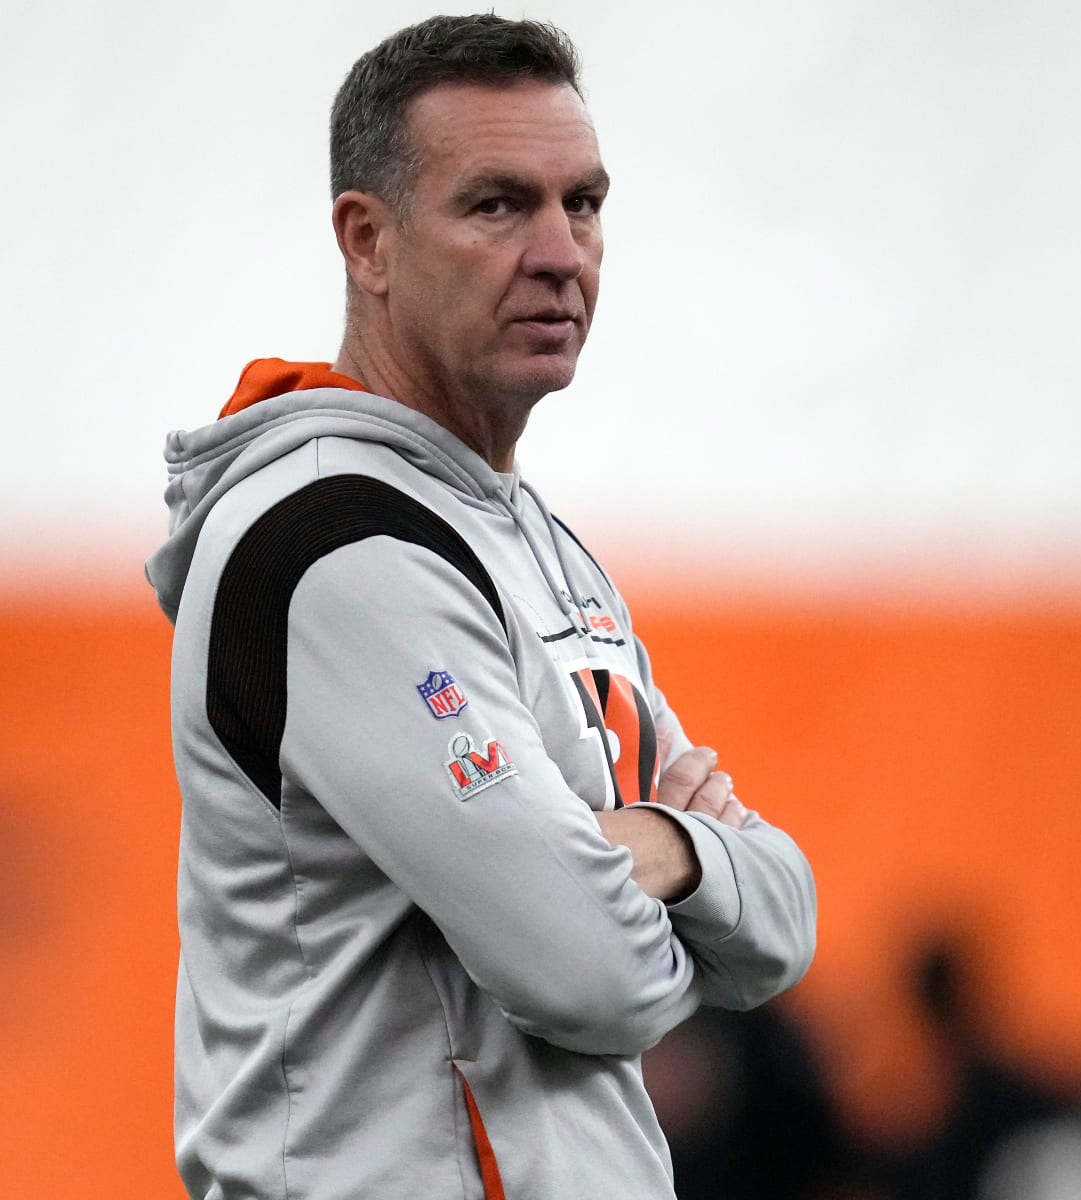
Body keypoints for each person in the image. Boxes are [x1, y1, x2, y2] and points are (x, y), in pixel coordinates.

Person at [146, 15, 816, 1200]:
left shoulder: (531, 540)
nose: (562, 251)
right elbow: (592, 978)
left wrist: (653, 849)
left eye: (586, 203)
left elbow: (782, 921)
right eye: (499, 205)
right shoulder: (341, 548)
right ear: (369, 241)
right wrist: (661, 895)